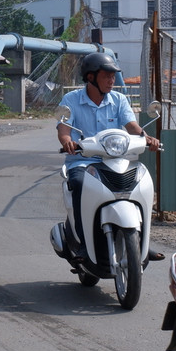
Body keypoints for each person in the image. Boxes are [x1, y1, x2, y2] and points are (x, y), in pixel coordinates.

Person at [56, 52, 164, 261]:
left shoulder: (119, 99)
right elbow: (63, 130)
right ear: (90, 77)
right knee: (78, 184)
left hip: (115, 160)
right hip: (83, 162)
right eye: (107, 76)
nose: (111, 80)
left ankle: (141, 242)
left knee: (140, 184)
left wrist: (147, 137)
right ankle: (83, 245)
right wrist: (67, 142)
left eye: (113, 76)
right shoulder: (71, 100)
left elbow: (131, 126)